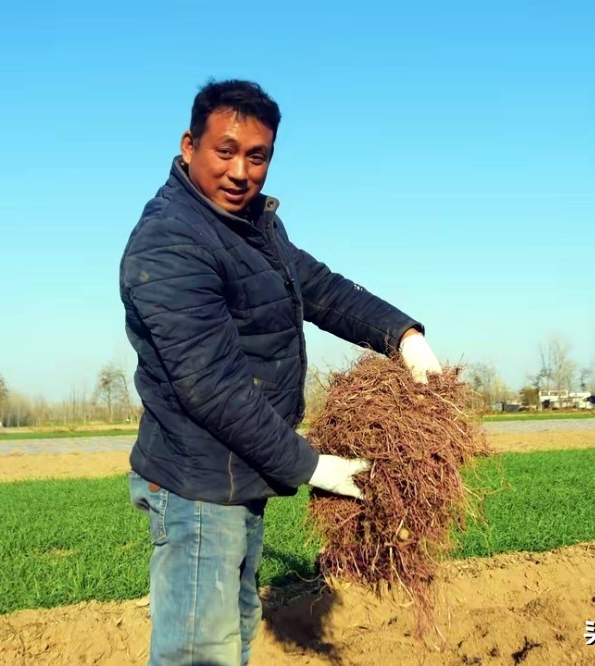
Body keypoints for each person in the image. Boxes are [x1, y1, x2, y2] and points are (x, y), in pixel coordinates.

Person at [118, 79, 442, 666]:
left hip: (238, 476)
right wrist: (310, 464)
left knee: (233, 634)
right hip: (197, 486)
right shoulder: (171, 243)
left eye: (258, 155)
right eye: (226, 150)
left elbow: (319, 288)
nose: (242, 171)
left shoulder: (253, 229)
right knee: (200, 654)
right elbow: (211, 388)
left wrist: (404, 336)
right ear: (190, 146)